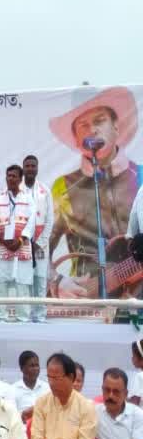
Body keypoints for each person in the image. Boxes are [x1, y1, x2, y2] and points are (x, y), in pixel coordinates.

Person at [49, 86, 140, 300]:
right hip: (86, 299)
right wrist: (56, 280)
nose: (92, 130)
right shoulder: (63, 187)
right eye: (83, 125)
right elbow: (40, 249)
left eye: (99, 120)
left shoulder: (141, 178)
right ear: (76, 137)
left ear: (116, 126)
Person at [0, 164, 39, 322]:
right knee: (1, 284)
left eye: (13, 176)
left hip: (21, 248)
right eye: (8, 175)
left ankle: (23, 319)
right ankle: (0, 318)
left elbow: (32, 223)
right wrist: (3, 240)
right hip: (3, 249)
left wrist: (19, 240)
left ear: (20, 179)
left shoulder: (27, 199)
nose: (10, 178)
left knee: (22, 284)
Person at [22, 155, 55, 322]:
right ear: (23, 168)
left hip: (41, 246)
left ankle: (40, 317)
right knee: (25, 281)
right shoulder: (17, 190)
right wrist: (26, 243)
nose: (30, 169)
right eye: (27, 166)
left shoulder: (45, 190)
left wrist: (40, 243)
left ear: (37, 168)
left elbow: (50, 220)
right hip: (23, 245)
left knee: (40, 280)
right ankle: (27, 317)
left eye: (33, 165)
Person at [11, 350, 48, 421]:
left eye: (37, 365)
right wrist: (24, 415)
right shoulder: (13, 390)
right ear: (22, 368)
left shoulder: (47, 388)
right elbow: (10, 417)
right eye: (32, 366)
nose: (35, 369)